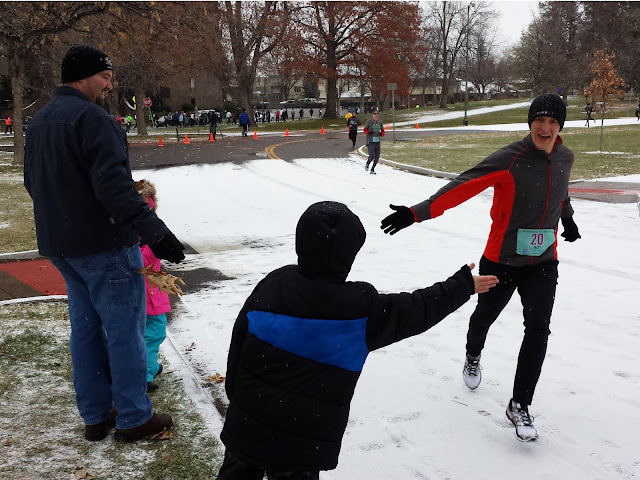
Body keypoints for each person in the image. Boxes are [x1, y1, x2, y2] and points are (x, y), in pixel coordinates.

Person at [217, 201, 498, 479]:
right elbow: (417, 309)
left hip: (247, 424)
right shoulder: (360, 310)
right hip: (303, 443)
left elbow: (238, 342)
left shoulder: (274, 285)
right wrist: (461, 286)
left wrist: (238, 397)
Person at [380, 93, 581, 442]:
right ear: (530, 122)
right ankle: (473, 355)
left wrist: (569, 220)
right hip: (501, 260)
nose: (545, 128)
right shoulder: (511, 158)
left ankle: (519, 404)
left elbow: (561, 193)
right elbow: (463, 185)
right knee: (483, 319)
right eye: (540, 121)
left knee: (538, 328)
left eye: (552, 122)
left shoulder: (565, 157)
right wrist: (416, 212)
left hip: (544, 262)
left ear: (559, 126)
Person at [23, 45, 185, 443]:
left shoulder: (40, 120)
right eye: (105, 78)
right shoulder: (93, 119)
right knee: (125, 332)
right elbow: (115, 189)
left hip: (63, 246)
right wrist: (157, 233)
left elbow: (33, 183)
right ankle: (132, 417)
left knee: (86, 331)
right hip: (105, 245)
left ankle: (96, 415)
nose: (109, 86)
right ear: (83, 76)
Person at [135, 179, 171, 393]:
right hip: (148, 295)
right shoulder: (144, 231)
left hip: (148, 292)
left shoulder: (133, 226)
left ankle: (152, 367)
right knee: (153, 333)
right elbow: (140, 259)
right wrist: (158, 248)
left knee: (142, 334)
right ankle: (144, 376)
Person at [363, 109, 385, 174]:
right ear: (372, 115)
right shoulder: (369, 122)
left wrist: (381, 134)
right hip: (370, 141)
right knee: (372, 155)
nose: (376, 115)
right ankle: (367, 164)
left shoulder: (380, 122)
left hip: (377, 141)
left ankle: (372, 169)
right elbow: (364, 129)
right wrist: (369, 132)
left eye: (377, 114)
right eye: (375, 114)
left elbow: (383, 131)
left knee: (377, 156)